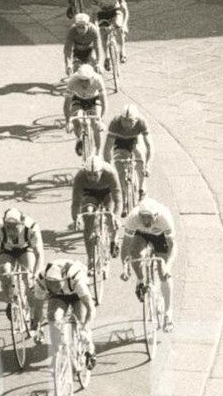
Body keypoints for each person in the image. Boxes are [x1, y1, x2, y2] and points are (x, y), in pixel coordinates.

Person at [0, 207, 46, 341]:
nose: (11, 231)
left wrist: (34, 276)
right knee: (5, 274)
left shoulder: (32, 227)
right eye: (8, 228)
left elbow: (39, 255)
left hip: (26, 248)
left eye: (15, 228)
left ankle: (38, 324)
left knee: (30, 279)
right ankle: (11, 299)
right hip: (6, 250)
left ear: (22, 224)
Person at [120, 196, 177, 332]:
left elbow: (172, 246)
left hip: (160, 236)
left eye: (149, 218)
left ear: (156, 216)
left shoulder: (165, 218)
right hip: (141, 235)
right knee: (136, 256)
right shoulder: (133, 218)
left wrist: (167, 266)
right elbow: (125, 246)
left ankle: (168, 314)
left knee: (163, 272)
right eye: (143, 217)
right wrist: (125, 267)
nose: (145, 221)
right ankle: (141, 280)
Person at [71, 148, 122, 276]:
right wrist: (76, 219)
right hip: (89, 195)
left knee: (110, 216)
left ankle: (114, 239)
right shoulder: (80, 176)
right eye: (89, 175)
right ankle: (91, 260)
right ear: (85, 172)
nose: (92, 178)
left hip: (107, 194)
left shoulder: (110, 173)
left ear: (101, 171)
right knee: (88, 216)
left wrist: (116, 217)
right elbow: (76, 202)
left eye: (95, 175)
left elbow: (118, 199)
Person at [39, 259, 96, 366]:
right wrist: (36, 325)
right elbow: (37, 306)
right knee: (53, 318)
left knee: (80, 320)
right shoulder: (41, 278)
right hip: (58, 296)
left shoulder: (77, 279)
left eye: (56, 283)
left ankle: (90, 347)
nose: (53, 286)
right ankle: (58, 353)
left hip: (77, 294)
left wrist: (85, 328)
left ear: (63, 279)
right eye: (50, 283)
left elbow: (91, 309)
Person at [103, 104, 152, 209]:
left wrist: (147, 165)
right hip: (120, 142)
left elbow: (149, 146)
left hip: (135, 140)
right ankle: (123, 195)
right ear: (120, 118)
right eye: (124, 120)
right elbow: (107, 148)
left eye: (130, 121)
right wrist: (109, 166)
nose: (127, 124)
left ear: (136, 120)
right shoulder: (115, 123)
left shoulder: (142, 122)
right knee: (119, 169)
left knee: (140, 158)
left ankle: (142, 188)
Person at [63, 60, 107, 150]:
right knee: (77, 121)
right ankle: (79, 139)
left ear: (92, 78)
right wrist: (68, 121)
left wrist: (101, 120)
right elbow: (67, 104)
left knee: (96, 125)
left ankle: (98, 153)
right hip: (78, 99)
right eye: (81, 80)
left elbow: (104, 103)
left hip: (94, 99)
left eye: (87, 80)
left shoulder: (98, 80)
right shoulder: (72, 81)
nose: (84, 83)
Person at [91, 0, 130, 65]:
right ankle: (107, 57)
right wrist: (96, 25)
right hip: (102, 13)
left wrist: (125, 24)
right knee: (102, 34)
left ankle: (122, 51)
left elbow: (125, 10)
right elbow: (94, 13)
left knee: (119, 27)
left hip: (115, 11)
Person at [63, 11, 101, 75]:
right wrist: (68, 64)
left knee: (98, 70)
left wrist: (99, 62)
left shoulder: (94, 30)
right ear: (75, 26)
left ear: (88, 25)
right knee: (75, 73)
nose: (81, 30)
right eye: (78, 27)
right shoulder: (72, 30)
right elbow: (67, 49)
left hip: (90, 50)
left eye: (83, 27)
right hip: (77, 52)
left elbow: (98, 47)